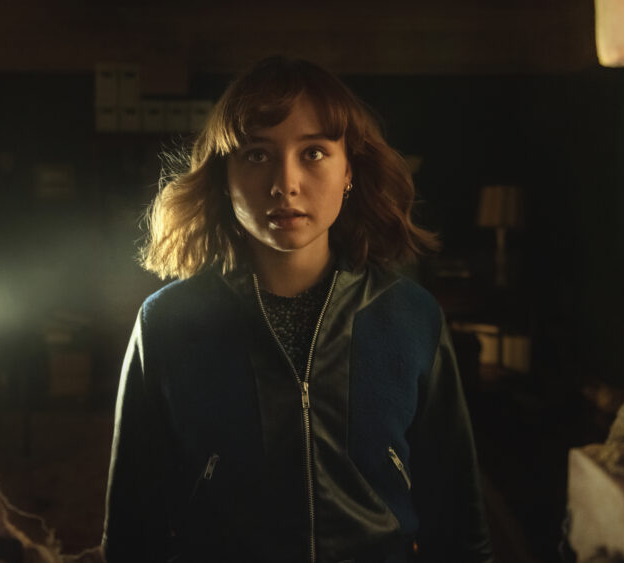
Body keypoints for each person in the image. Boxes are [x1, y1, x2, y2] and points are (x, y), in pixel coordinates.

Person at [103, 56, 492, 563]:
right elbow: (132, 528)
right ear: (224, 176)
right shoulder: (167, 323)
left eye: (313, 153)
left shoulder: (412, 317)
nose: (285, 183)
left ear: (348, 169)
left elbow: (458, 523)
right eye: (256, 154)